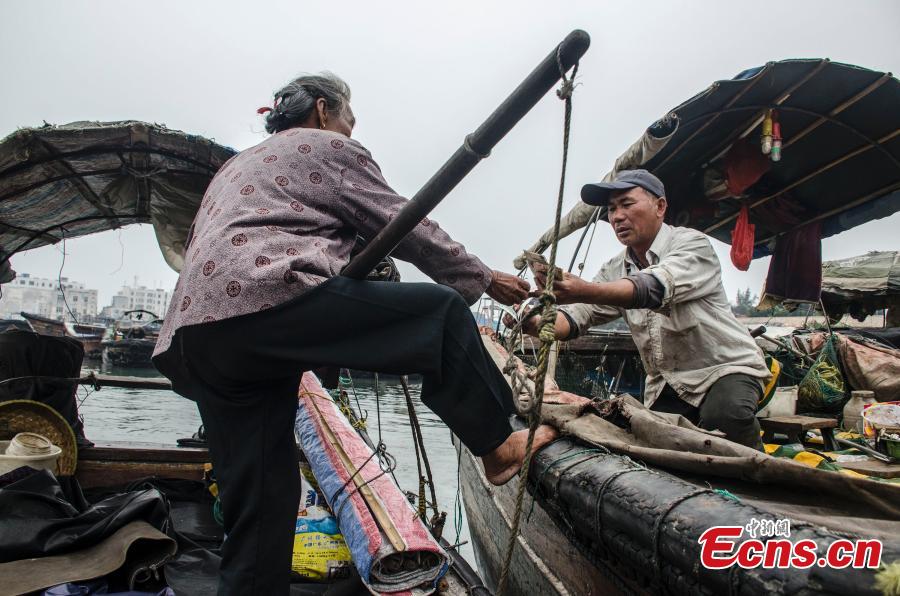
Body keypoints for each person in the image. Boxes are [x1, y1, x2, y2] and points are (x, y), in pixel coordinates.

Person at [151, 72, 556, 595]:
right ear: (323, 110)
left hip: (194, 336)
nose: (349, 128)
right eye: (348, 117)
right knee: (441, 315)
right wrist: (481, 276)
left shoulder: (236, 165)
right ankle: (499, 446)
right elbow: (404, 223)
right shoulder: (325, 146)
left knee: (261, 506)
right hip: (262, 297)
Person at [520, 169, 770, 450]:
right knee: (654, 441)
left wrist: (583, 289)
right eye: (611, 210)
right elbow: (580, 315)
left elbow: (653, 287)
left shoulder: (691, 244)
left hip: (725, 368)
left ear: (660, 207)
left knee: (725, 416)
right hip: (668, 383)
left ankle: (770, 483)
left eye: (627, 204)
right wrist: (538, 323)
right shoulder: (614, 268)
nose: (616, 216)